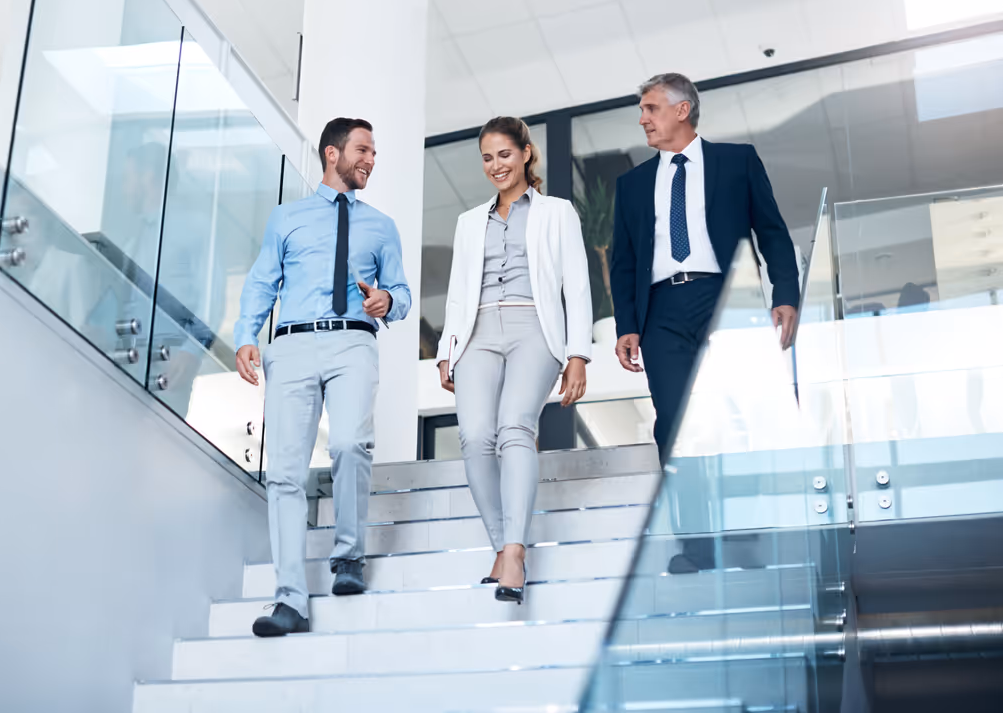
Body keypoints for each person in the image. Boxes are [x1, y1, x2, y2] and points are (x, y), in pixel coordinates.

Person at [609, 73, 799, 573]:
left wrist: (787, 295)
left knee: (736, 420)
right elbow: (624, 262)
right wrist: (626, 324)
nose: (643, 118)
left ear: (682, 110)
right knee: (674, 424)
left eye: (651, 108)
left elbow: (773, 232)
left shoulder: (737, 162)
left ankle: (744, 532)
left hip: (725, 299)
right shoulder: (630, 186)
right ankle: (696, 545)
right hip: (661, 312)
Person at [234, 117, 411, 636]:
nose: (371, 160)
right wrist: (247, 335)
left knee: (352, 444)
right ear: (332, 154)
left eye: (374, 152)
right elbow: (262, 281)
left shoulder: (381, 226)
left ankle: (348, 556)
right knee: (285, 474)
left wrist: (388, 300)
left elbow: (398, 293)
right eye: (363, 150)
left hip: (353, 339)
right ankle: (290, 600)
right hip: (290, 346)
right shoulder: (286, 219)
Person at [435, 116, 592, 604]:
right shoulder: (467, 222)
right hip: (477, 332)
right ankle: (501, 547)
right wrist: (446, 348)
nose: (495, 165)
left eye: (504, 154)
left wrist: (578, 354)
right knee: (474, 435)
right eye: (486, 157)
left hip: (534, 329)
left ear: (526, 153)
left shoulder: (557, 212)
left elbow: (577, 285)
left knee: (514, 426)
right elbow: (458, 293)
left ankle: (516, 552)